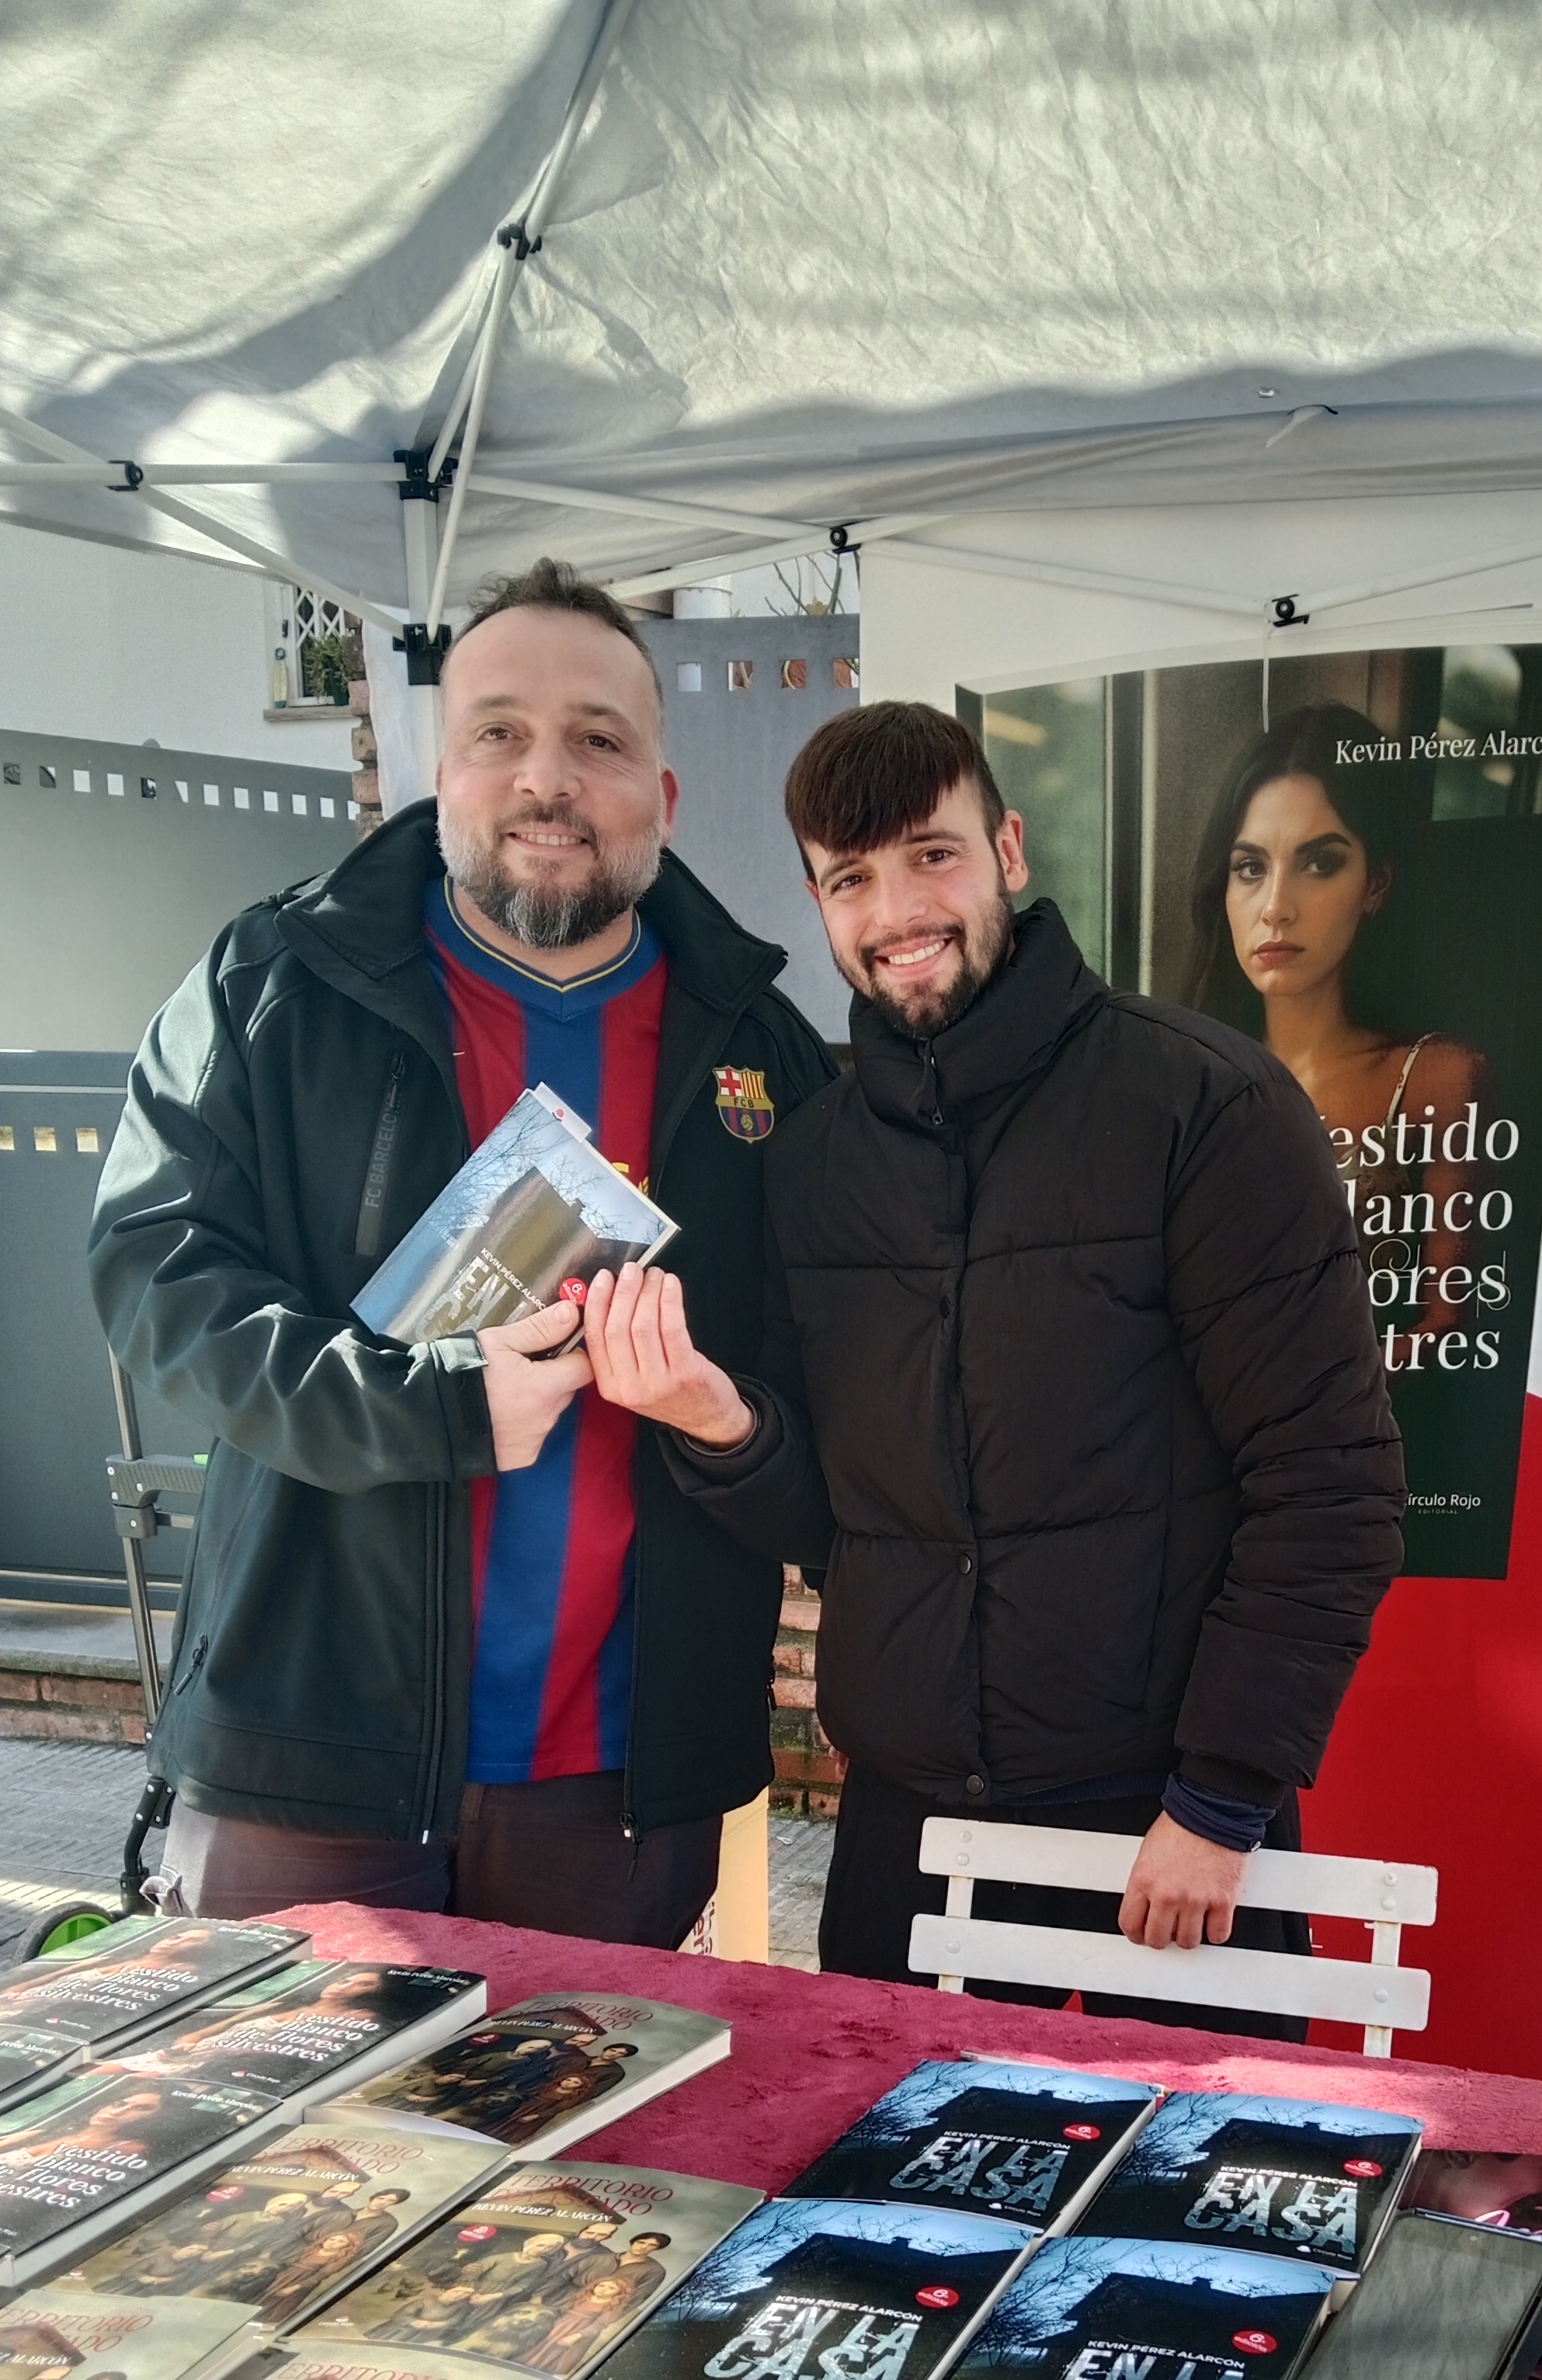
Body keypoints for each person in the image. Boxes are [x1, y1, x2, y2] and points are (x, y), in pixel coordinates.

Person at [579, 701, 1405, 2012]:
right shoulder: (814, 1161)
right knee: (888, 2151)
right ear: (817, 900)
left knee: (1191, 2152)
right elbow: (838, 1525)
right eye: (852, 878)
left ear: (1008, 850)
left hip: (1166, 1827)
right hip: (908, 1834)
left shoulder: (1206, 1105)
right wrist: (719, 1424)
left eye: (932, 855)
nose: (898, 910)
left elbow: (1331, 1483)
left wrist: (1222, 1798)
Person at [89, 556, 835, 1946]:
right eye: (501, 733)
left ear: (665, 797)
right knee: (293, 2099)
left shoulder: (766, 1052)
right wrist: (431, 1404)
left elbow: (831, 1401)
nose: (548, 779)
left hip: (623, 1786)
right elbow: (155, 1284)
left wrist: (727, 1425)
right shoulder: (272, 987)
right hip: (310, 1752)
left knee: (580, 2097)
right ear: (443, 776)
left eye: (599, 740)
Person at [1185, 704, 1493, 1340]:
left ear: (1376, 884)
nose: (1276, 907)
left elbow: (1446, 1326)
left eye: (1319, 863)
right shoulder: (1184, 1078)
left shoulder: (1436, 1078)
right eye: (1250, 868)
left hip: (1361, 1400)